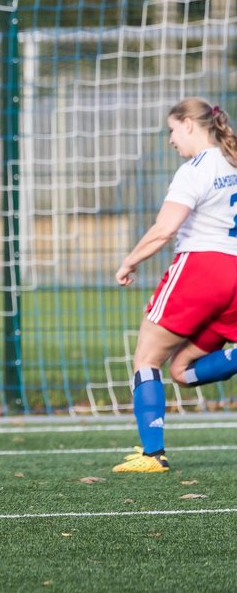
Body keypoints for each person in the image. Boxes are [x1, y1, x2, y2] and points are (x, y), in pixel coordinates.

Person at [113, 98, 237, 473]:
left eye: (171, 130)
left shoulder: (194, 170)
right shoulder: (233, 161)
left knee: (146, 359)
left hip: (201, 270)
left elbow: (164, 230)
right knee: (182, 370)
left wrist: (130, 260)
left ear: (187, 124)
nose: (171, 140)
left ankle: (152, 455)